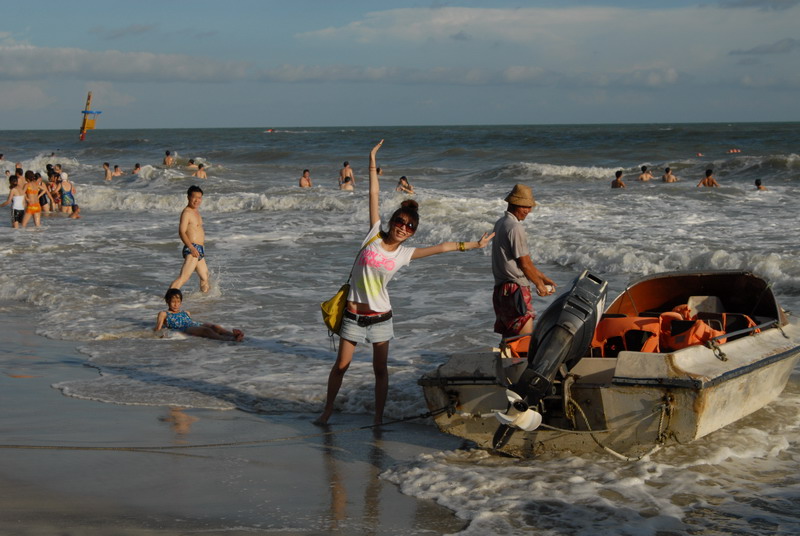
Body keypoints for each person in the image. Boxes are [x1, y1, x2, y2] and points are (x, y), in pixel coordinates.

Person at [315, 140, 494, 426]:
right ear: (392, 221)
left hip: (381, 317)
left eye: (409, 226)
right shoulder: (374, 234)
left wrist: (475, 244)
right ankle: (326, 411)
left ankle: (377, 417)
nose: (403, 227)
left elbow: (442, 247)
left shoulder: (405, 253)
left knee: (380, 371)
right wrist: (372, 159)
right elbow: (373, 194)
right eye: (400, 221)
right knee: (341, 366)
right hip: (352, 314)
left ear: (412, 233)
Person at [491, 183, 556, 339]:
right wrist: (539, 285)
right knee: (523, 342)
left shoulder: (500, 223)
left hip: (502, 291)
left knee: (508, 341)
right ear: (515, 204)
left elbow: (522, 262)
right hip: (516, 291)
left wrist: (541, 276)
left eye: (530, 206)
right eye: (526, 206)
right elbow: (524, 264)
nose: (529, 211)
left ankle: (505, 364)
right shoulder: (515, 227)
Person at [154, 288, 244, 341]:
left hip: (193, 325)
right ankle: (229, 340)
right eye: (173, 301)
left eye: (178, 302)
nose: (176, 304)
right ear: (167, 301)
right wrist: (161, 335)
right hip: (184, 328)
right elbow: (158, 328)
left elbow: (191, 321)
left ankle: (232, 335)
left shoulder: (185, 312)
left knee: (213, 326)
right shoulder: (163, 313)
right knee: (205, 330)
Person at [170, 185, 210, 293]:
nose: (197, 200)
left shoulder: (196, 212)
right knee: (184, 277)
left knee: (205, 277)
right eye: (194, 197)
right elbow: (181, 232)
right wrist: (191, 247)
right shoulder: (186, 212)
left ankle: (204, 302)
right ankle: (168, 299)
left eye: (200, 198)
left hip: (199, 249)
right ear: (188, 197)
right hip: (192, 248)